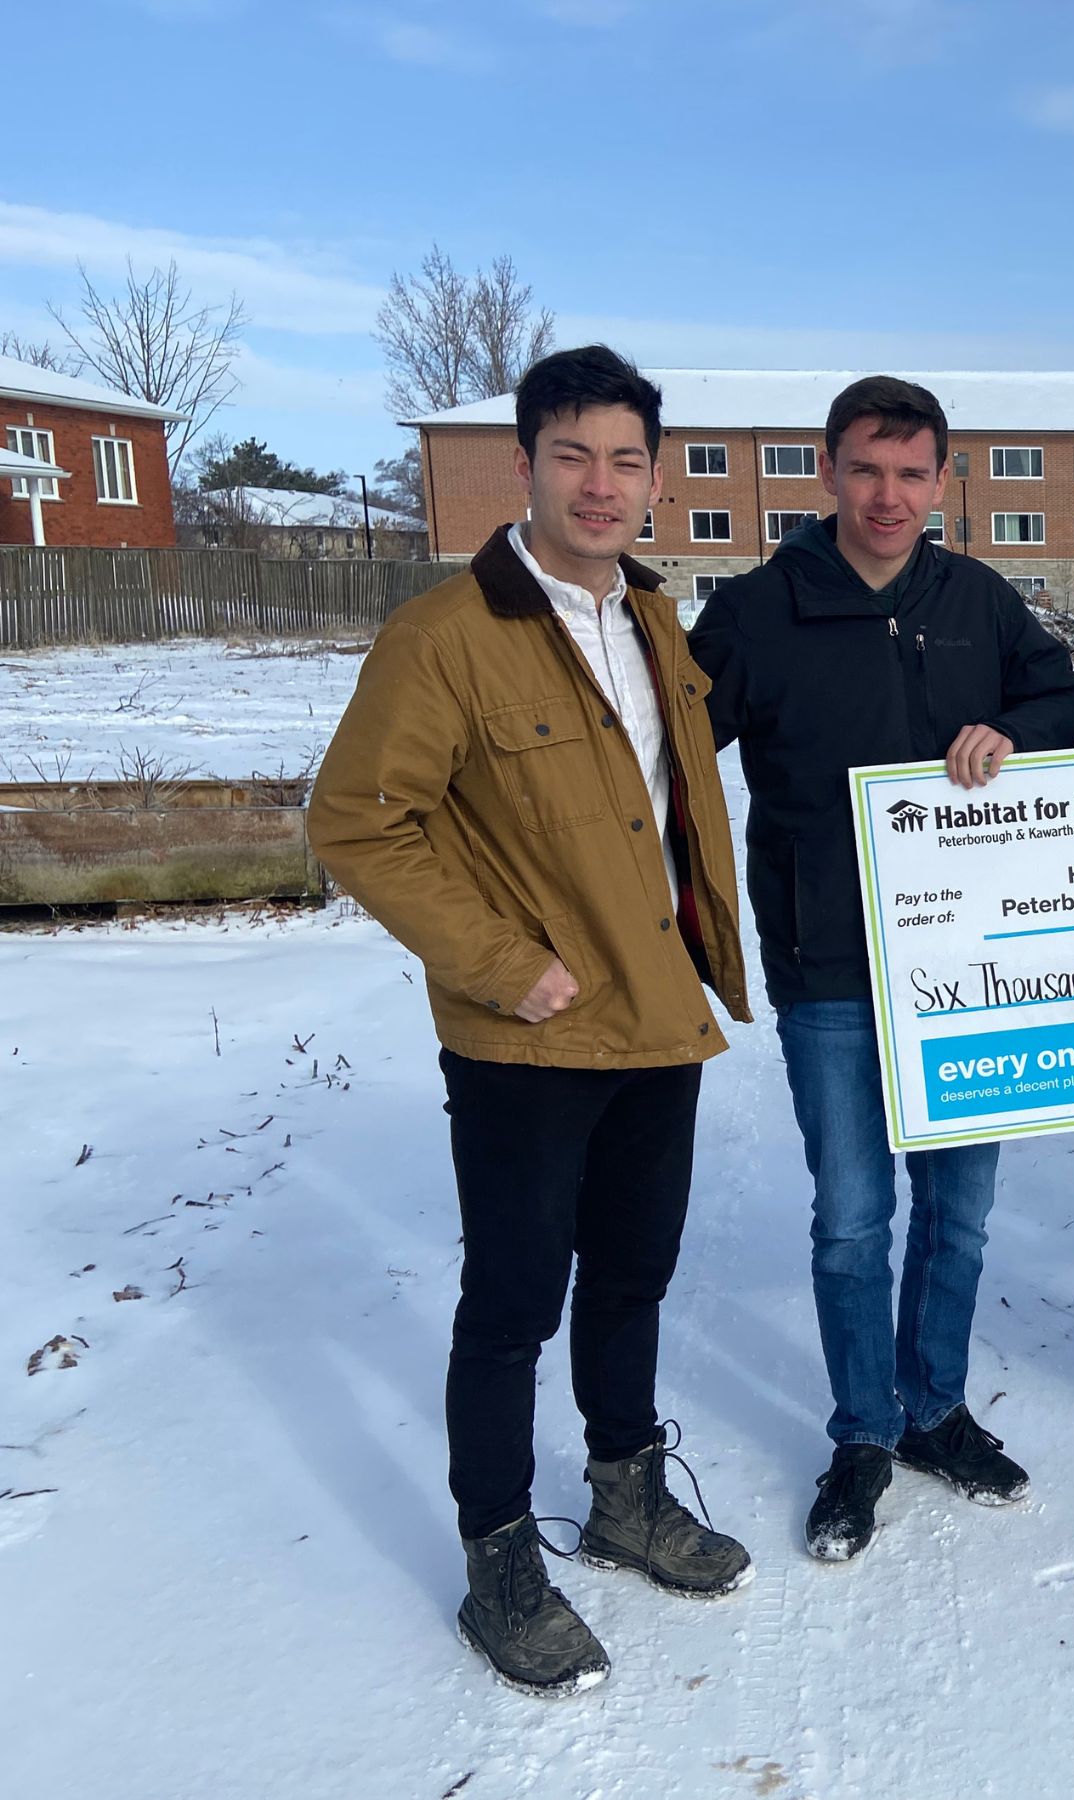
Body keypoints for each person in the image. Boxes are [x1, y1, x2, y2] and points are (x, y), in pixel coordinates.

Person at [308, 346, 754, 1697]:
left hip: (657, 1019)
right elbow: (358, 822)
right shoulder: (445, 636)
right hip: (530, 1041)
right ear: (525, 467)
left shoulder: (658, 623)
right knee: (512, 1305)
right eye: (574, 456)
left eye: (627, 460)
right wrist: (504, 964)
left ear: (657, 478)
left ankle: (625, 1492)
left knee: (633, 1275)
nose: (602, 484)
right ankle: (499, 1556)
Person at [689, 377, 1074, 1560]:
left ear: (941, 482)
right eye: (868, 469)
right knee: (853, 1221)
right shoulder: (762, 610)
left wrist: (1015, 734)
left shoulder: (971, 596)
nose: (889, 495)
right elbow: (663, 752)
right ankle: (863, 1428)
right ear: (826, 470)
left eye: (913, 474)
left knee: (958, 1214)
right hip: (831, 967)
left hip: (974, 964)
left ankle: (936, 1409)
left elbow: (1060, 693)